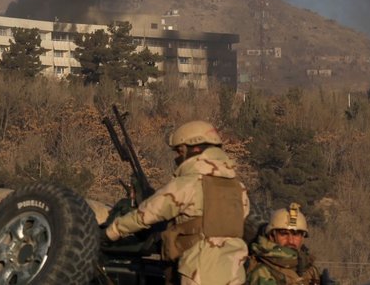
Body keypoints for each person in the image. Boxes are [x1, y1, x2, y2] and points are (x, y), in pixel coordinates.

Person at [104, 120, 251, 285]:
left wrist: (111, 232)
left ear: (195, 149)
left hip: (198, 272)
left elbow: (146, 214)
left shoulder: (189, 184)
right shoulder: (239, 188)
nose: (178, 158)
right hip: (235, 274)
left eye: (180, 151)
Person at [246, 203, 321, 285]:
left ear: (302, 238)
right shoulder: (262, 271)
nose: (291, 241)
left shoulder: (309, 268)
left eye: (296, 234)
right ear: (272, 236)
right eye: (283, 234)